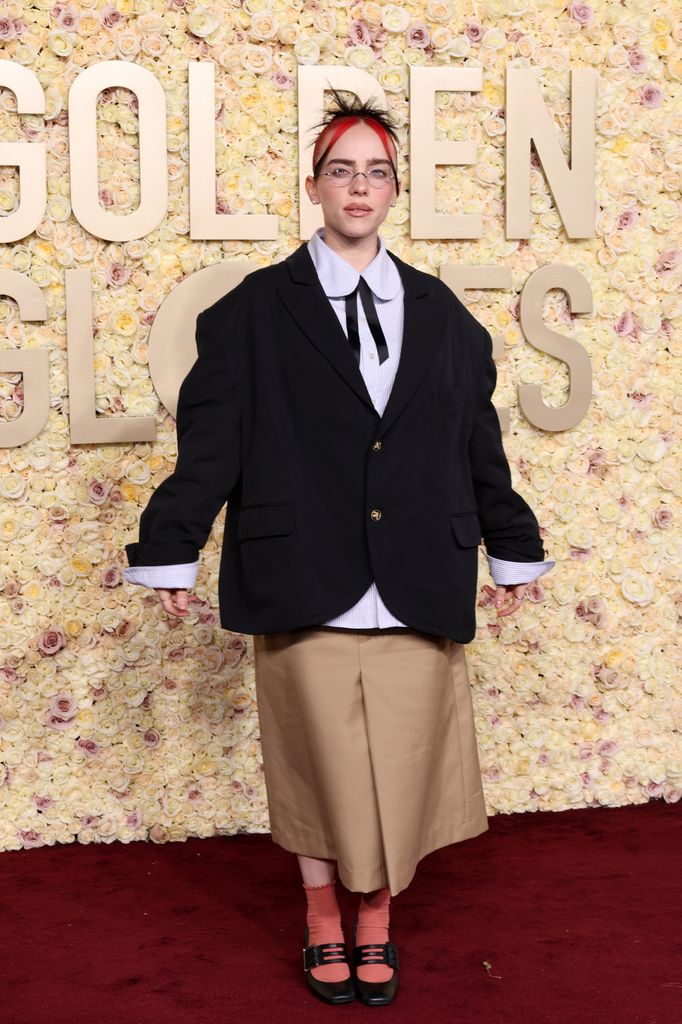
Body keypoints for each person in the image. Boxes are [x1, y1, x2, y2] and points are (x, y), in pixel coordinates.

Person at [124, 88, 555, 1007]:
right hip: (299, 571)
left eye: (377, 172)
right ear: (314, 186)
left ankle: (377, 923)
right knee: (316, 761)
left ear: (394, 191)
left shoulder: (444, 316)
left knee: (399, 764)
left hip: (419, 576)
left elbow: (476, 443)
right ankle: (325, 917)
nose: (359, 186)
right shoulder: (250, 312)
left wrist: (512, 548)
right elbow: (211, 443)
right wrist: (170, 547)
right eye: (341, 170)